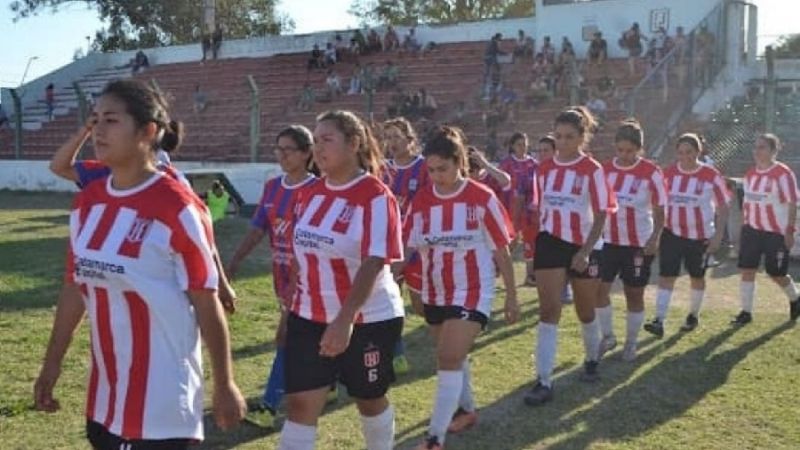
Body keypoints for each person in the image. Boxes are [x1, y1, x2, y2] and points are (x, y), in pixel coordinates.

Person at [33, 79, 246, 448]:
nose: (98, 129)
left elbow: (206, 300)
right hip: (104, 398)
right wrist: (52, 364)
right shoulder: (88, 203)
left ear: (148, 131)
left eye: (111, 120)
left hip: (162, 402)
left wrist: (224, 382)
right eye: (95, 118)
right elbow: (74, 287)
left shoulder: (177, 206)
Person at [277, 110, 404, 450]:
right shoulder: (308, 193)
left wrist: (345, 319)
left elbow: (375, 260)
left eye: (327, 140)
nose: (318, 148)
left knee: (368, 398)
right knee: (301, 406)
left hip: (367, 319)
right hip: (308, 315)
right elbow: (301, 261)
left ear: (354, 143)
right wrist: (288, 313)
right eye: (315, 141)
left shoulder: (375, 195)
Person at [406, 127, 519, 450]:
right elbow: (407, 246)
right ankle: (467, 410)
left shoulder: (482, 197)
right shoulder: (422, 201)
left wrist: (511, 295)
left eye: (443, 168)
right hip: (434, 291)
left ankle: (434, 439)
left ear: (459, 163)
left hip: (472, 290)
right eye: (431, 170)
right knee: (453, 357)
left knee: (447, 356)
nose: (436, 176)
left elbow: (502, 250)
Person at [524, 107, 616, 407]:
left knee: (585, 311)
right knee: (548, 310)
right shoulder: (544, 169)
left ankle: (591, 359)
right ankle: (544, 380)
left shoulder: (592, 170)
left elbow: (603, 212)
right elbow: (543, 208)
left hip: (584, 246)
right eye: (558, 136)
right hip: (551, 242)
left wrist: (586, 251)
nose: (562, 143)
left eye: (569, 137)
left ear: (582, 138)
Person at [227, 125, 319, 424]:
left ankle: (269, 405)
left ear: (307, 153)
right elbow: (258, 228)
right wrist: (234, 263)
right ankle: (326, 383)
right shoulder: (273, 187)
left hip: (309, 278)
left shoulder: (318, 191)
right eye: (277, 149)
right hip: (280, 275)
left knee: (285, 337)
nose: (281, 155)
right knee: (306, 338)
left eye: (288, 150)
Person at [644, 133, 730, 337]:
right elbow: (657, 201)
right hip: (672, 233)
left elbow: (724, 206)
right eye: (680, 152)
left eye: (689, 152)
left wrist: (718, 235)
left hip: (700, 237)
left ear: (698, 152)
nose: (684, 156)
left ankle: (693, 314)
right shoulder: (669, 173)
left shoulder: (710, 174)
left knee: (696, 276)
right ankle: (659, 320)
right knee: (667, 275)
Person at [596, 120, 667, 362]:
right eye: (620, 150)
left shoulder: (651, 172)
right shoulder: (604, 170)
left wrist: (655, 237)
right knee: (599, 291)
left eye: (630, 151)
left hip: (638, 244)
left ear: (639, 149)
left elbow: (660, 209)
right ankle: (608, 336)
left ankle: (631, 342)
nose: (625, 155)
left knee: (633, 294)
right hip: (608, 241)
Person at [734, 134, 800, 324]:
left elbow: (792, 203)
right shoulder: (751, 174)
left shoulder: (783, 173)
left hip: (775, 233)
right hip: (752, 230)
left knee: (776, 272)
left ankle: (795, 298)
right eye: (755, 147)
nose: (757, 151)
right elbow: (747, 203)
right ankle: (746, 312)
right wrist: (743, 228)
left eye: (762, 147)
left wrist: (789, 230)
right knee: (747, 269)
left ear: (773, 150)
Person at [383, 117, 430, 376]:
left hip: (418, 245)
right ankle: (396, 353)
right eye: (388, 137)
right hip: (389, 245)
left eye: (396, 137)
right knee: (390, 299)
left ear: (410, 140)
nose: (391, 143)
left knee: (421, 305)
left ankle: (448, 326)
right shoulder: (382, 169)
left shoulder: (423, 168)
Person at [499, 132, 538, 285]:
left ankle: (530, 276)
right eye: (519, 144)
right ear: (512, 146)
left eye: (524, 144)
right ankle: (500, 270)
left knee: (530, 242)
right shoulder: (506, 164)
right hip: (510, 211)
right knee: (510, 243)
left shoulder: (534, 164)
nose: (522, 147)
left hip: (529, 212)